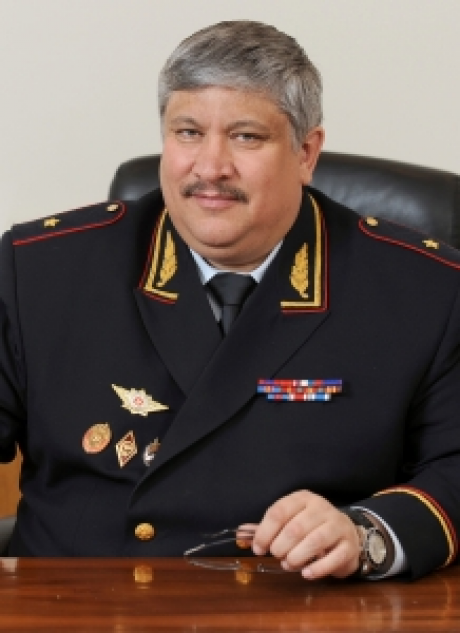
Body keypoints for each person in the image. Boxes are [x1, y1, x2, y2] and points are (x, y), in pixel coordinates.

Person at [1, 20, 459, 581]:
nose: (211, 167)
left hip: (301, 604)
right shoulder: (40, 271)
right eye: (188, 132)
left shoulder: (424, 289)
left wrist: (367, 534)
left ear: (306, 153)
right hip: (77, 601)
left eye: (246, 137)